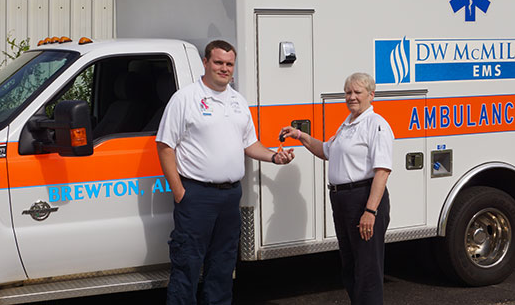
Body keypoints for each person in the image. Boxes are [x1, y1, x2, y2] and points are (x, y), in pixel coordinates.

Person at [156, 40, 295, 305]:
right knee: (187, 264)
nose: (224, 68)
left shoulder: (238, 101)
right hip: (196, 195)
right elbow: (164, 146)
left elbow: (249, 144)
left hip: (230, 196)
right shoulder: (185, 99)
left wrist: (274, 157)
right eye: (218, 62)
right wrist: (179, 192)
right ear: (205, 62)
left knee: (222, 265)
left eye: (229, 64)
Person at [280, 72, 393, 305]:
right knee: (350, 266)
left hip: (363, 199)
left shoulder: (376, 124)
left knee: (367, 270)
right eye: (348, 92)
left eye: (357, 92)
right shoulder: (347, 125)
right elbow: (325, 150)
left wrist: (370, 211)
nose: (351, 97)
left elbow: (382, 171)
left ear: (371, 95)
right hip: (342, 201)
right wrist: (299, 135)